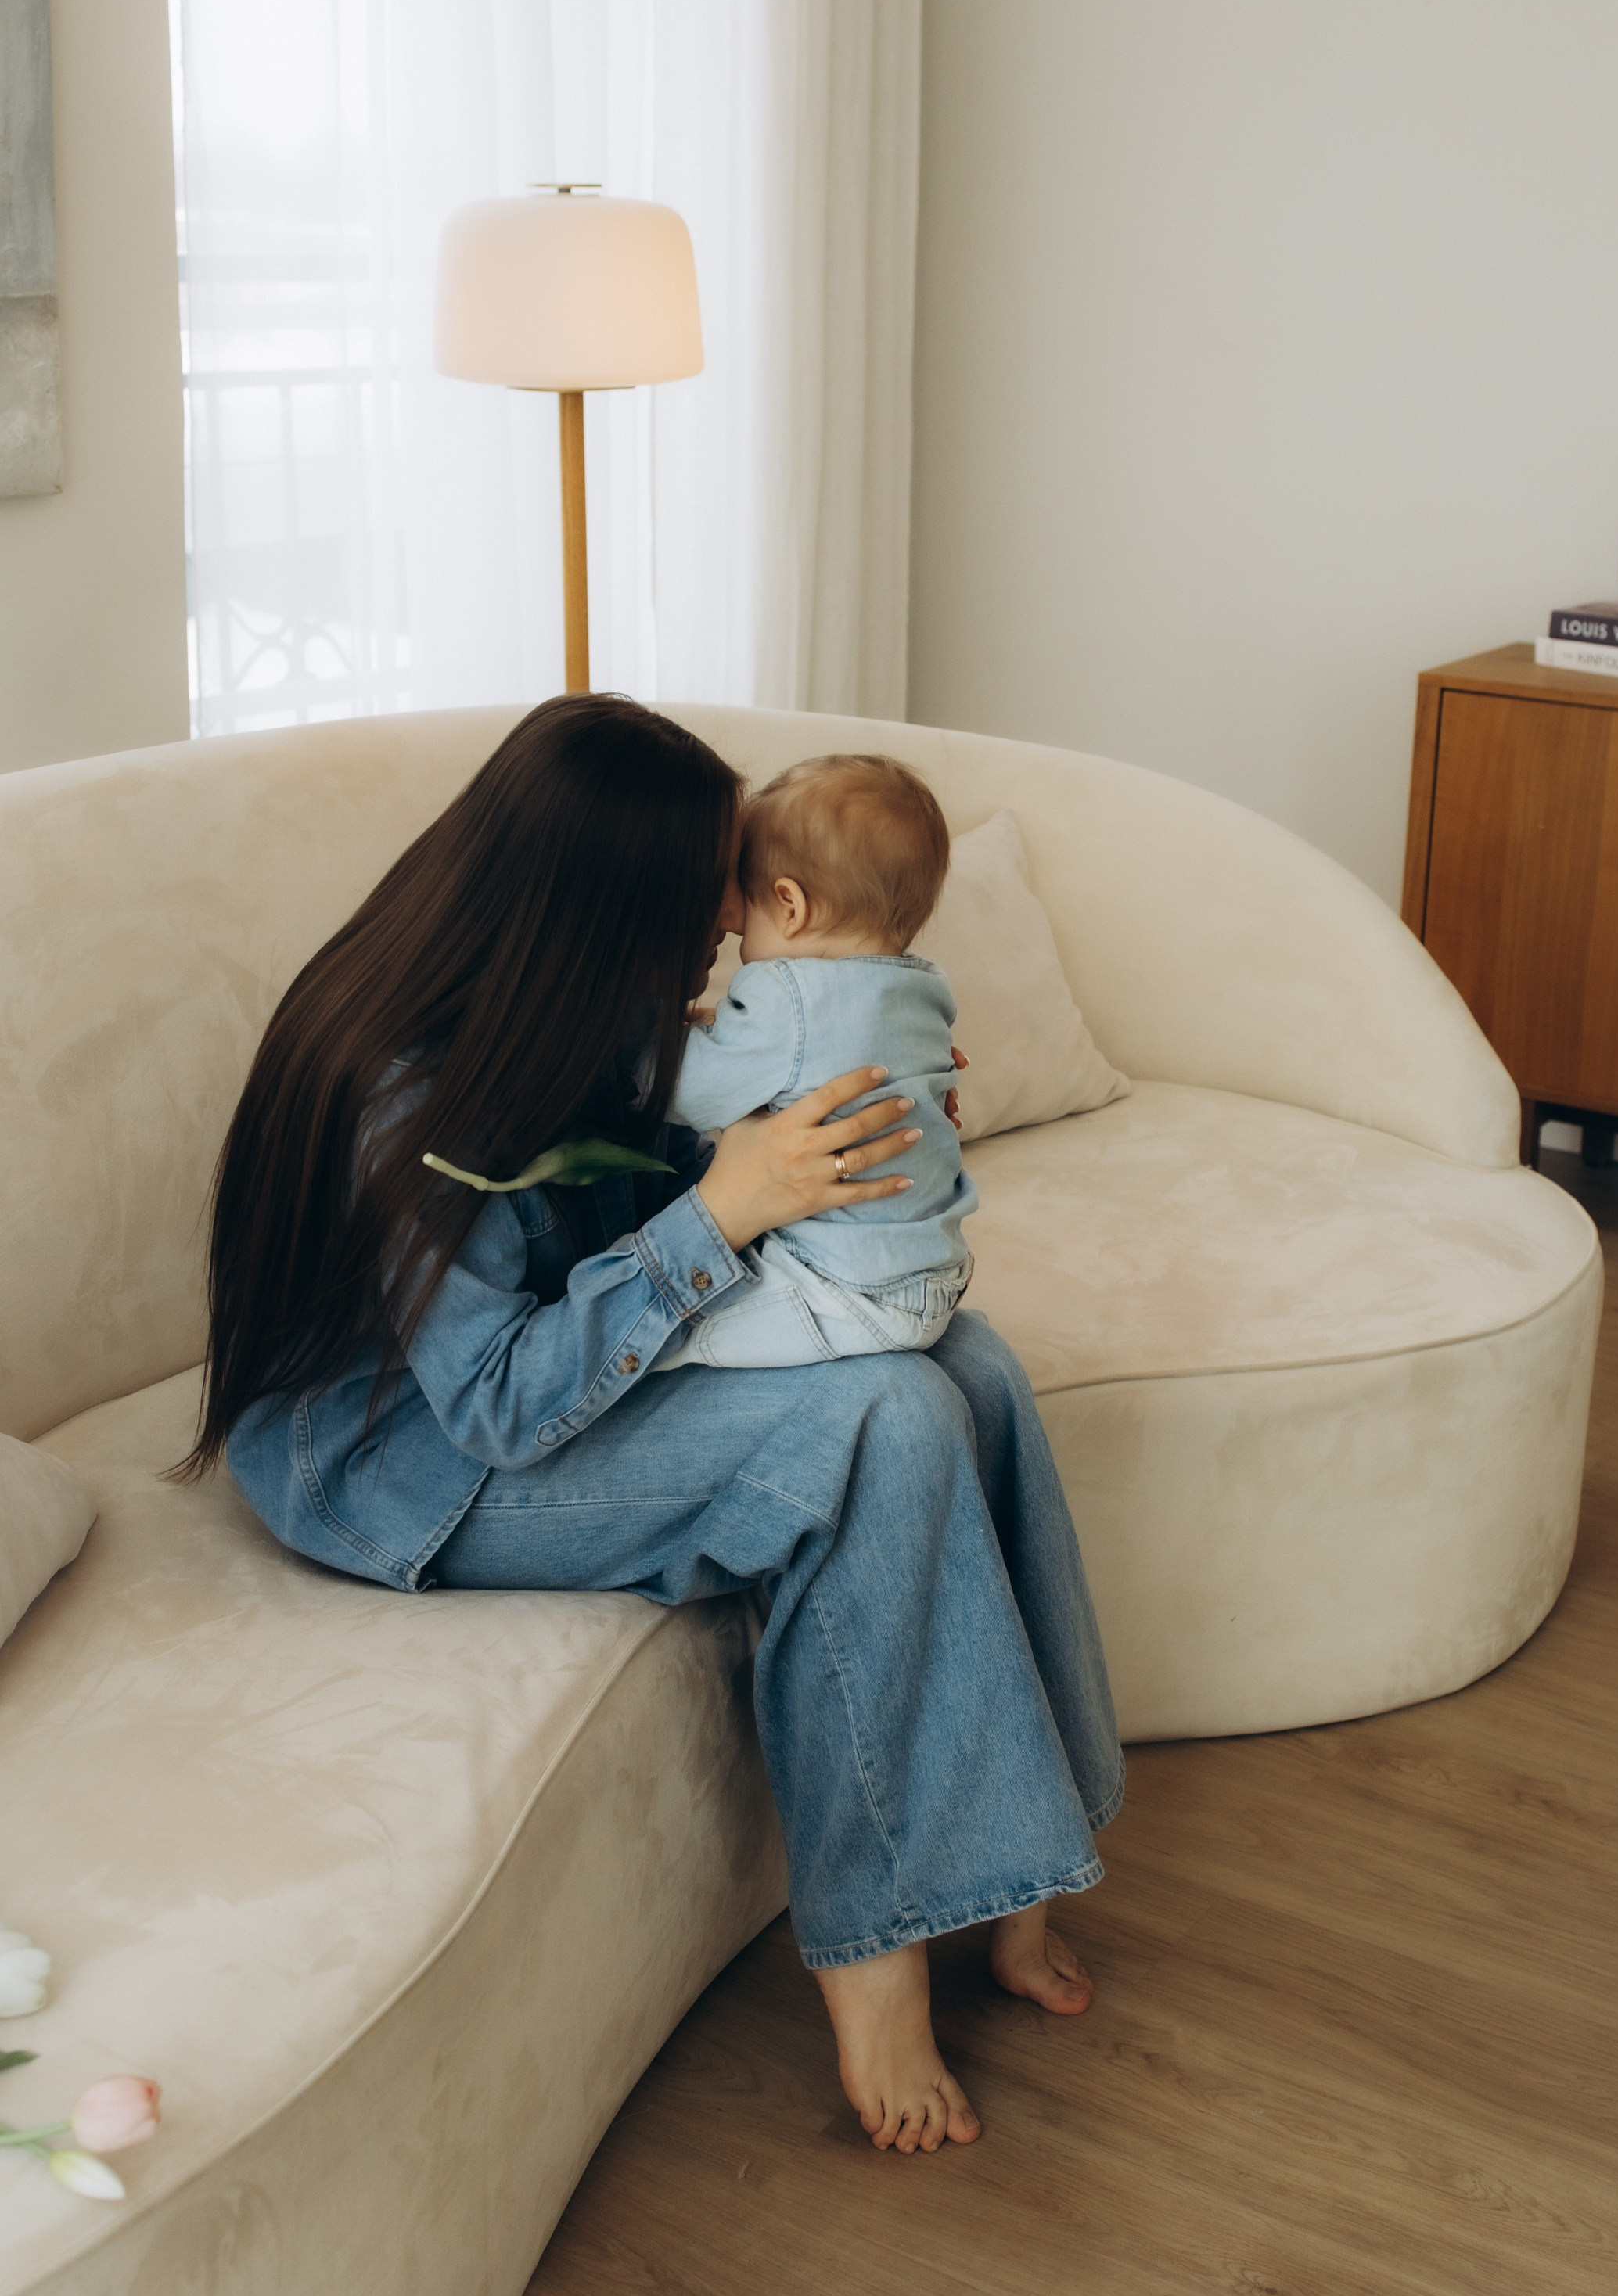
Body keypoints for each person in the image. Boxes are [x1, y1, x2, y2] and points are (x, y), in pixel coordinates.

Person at [181, 695, 1123, 2155]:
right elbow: (498, 1402)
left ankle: (1015, 1867)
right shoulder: (401, 1089)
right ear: (610, 904)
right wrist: (724, 1210)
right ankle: (875, 1961)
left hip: (556, 1365)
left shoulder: (596, 1004)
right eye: (712, 894)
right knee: (874, 1417)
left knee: (970, 1362)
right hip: (406, 1460)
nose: (733, 922)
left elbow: (652, 1160)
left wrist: (838, 1128)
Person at [656, 751, 976, 1371]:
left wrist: (653, 1040)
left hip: (835, 1283)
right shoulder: (922, 987)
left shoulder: (788, 993)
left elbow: (682, 1092)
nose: (731, 920)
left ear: (790, 905)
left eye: (745, 897)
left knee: (665, 1341)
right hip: (930, 1273)